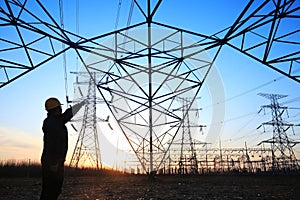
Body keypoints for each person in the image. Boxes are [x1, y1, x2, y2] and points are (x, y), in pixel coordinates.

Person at [40, 97, 85, 200]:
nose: (61, 109)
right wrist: (54, 163)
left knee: (54, 189)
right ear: (56, 109)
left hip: (54, 161)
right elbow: (52, 144)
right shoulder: (53, 123)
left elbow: (67, 114)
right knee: (51, 190)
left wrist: (80, 104)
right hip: (52, 161)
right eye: (59, 107)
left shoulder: (55, 121)